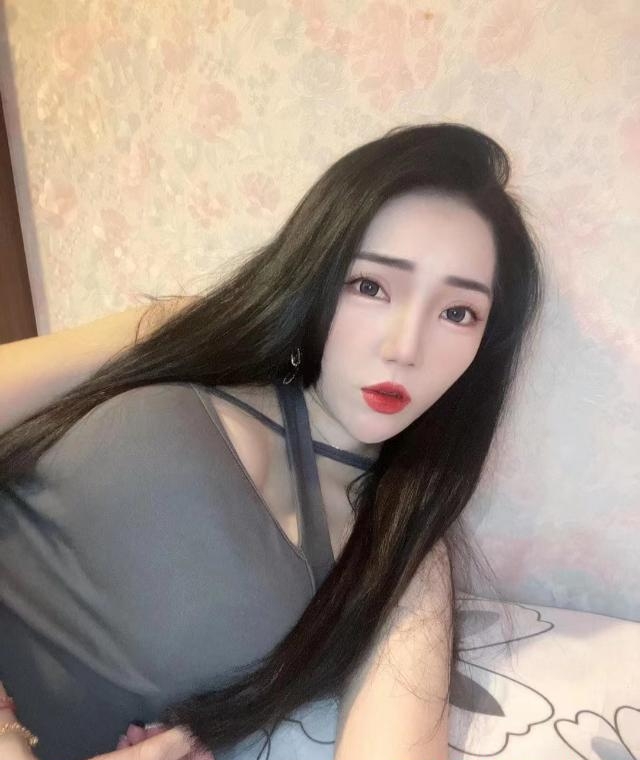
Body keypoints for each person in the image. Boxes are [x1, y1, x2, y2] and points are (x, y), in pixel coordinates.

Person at [0, 123, 544, 760]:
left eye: (458, 313)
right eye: (370, 286)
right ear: (317, 271)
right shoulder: (182, 333)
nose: (405, 349)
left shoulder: (402, 554)